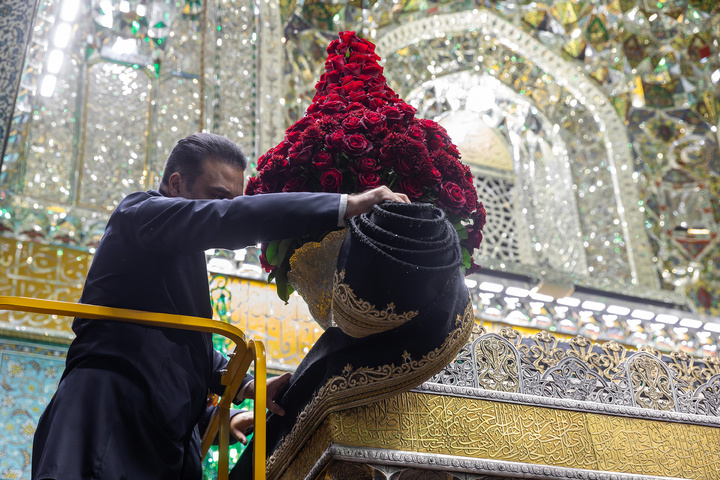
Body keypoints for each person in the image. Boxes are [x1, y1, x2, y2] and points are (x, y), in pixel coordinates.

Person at [31, 132, 409, 480]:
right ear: (176, 183)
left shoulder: (177, 253)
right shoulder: (140, 213)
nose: (228, 208)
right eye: (219, 195)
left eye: (236, 198)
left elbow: (183, 345)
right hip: (106, 419)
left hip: (166, 442)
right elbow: (228, 219)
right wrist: (349, 204)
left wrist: (244, 388)